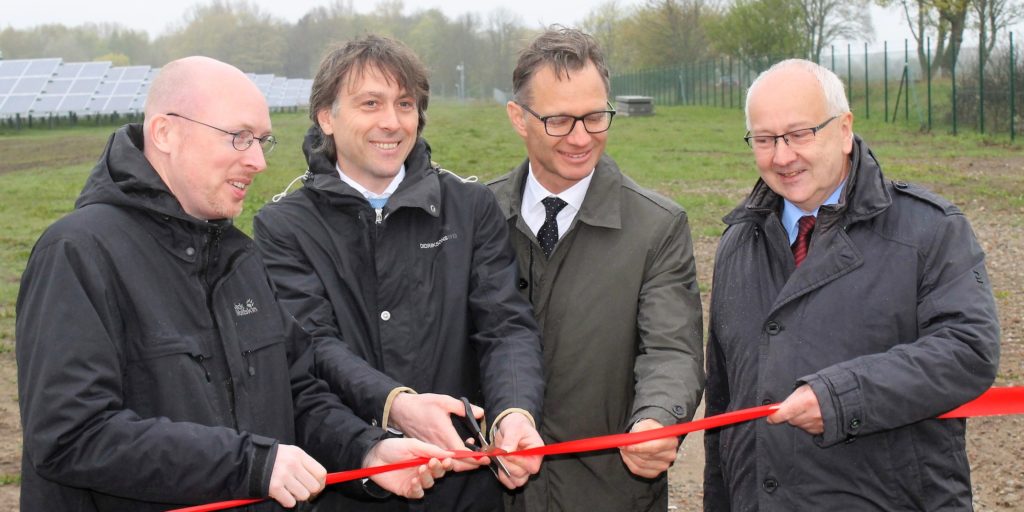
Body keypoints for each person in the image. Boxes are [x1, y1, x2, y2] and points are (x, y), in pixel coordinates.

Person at [16, 56, 454, 512]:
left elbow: (297, 394)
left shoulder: (237, 258)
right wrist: (249, 465)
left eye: (262, 141)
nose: (258, 161)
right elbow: (72, 434)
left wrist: (366, 451)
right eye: (239, 137)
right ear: (165, 133)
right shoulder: (78, 253)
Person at [253, 35, 545, 511]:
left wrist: (515, 413)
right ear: (327, 117)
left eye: (405, 104)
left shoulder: (469, 207)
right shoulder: (284, 225)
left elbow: (505, 325)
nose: (391, 122)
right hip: (351, 486)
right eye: (370, 103)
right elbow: (312, 344)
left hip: (466, 489)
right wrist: (395, 404)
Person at [704, 58, 1001, 511]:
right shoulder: (738, 243)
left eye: (800, 133)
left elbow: (968, 350)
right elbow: (723, 404)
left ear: (844, 130)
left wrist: (843, 398)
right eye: (764, 139)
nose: (782, 157)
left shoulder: (929, 230)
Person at [487, 27, 705, 511]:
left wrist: (656, 418)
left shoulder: (657, 226)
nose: (581, 137)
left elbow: (672, 349)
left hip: (609, 493)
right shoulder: (475, 215)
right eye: (560, 120)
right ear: (519, 118)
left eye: (595, 117)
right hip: (490, 491)